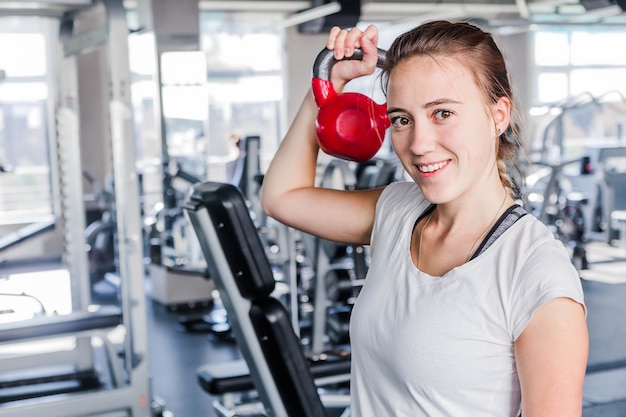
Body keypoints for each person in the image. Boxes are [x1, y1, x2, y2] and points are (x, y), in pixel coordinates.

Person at [260, 20, 588, 417]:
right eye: (401, 119)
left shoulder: (535, 274)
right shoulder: (398, 210)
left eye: (443, 113)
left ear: (498, 115)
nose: (418, 144)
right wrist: (326, 87)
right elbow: (282, 197)